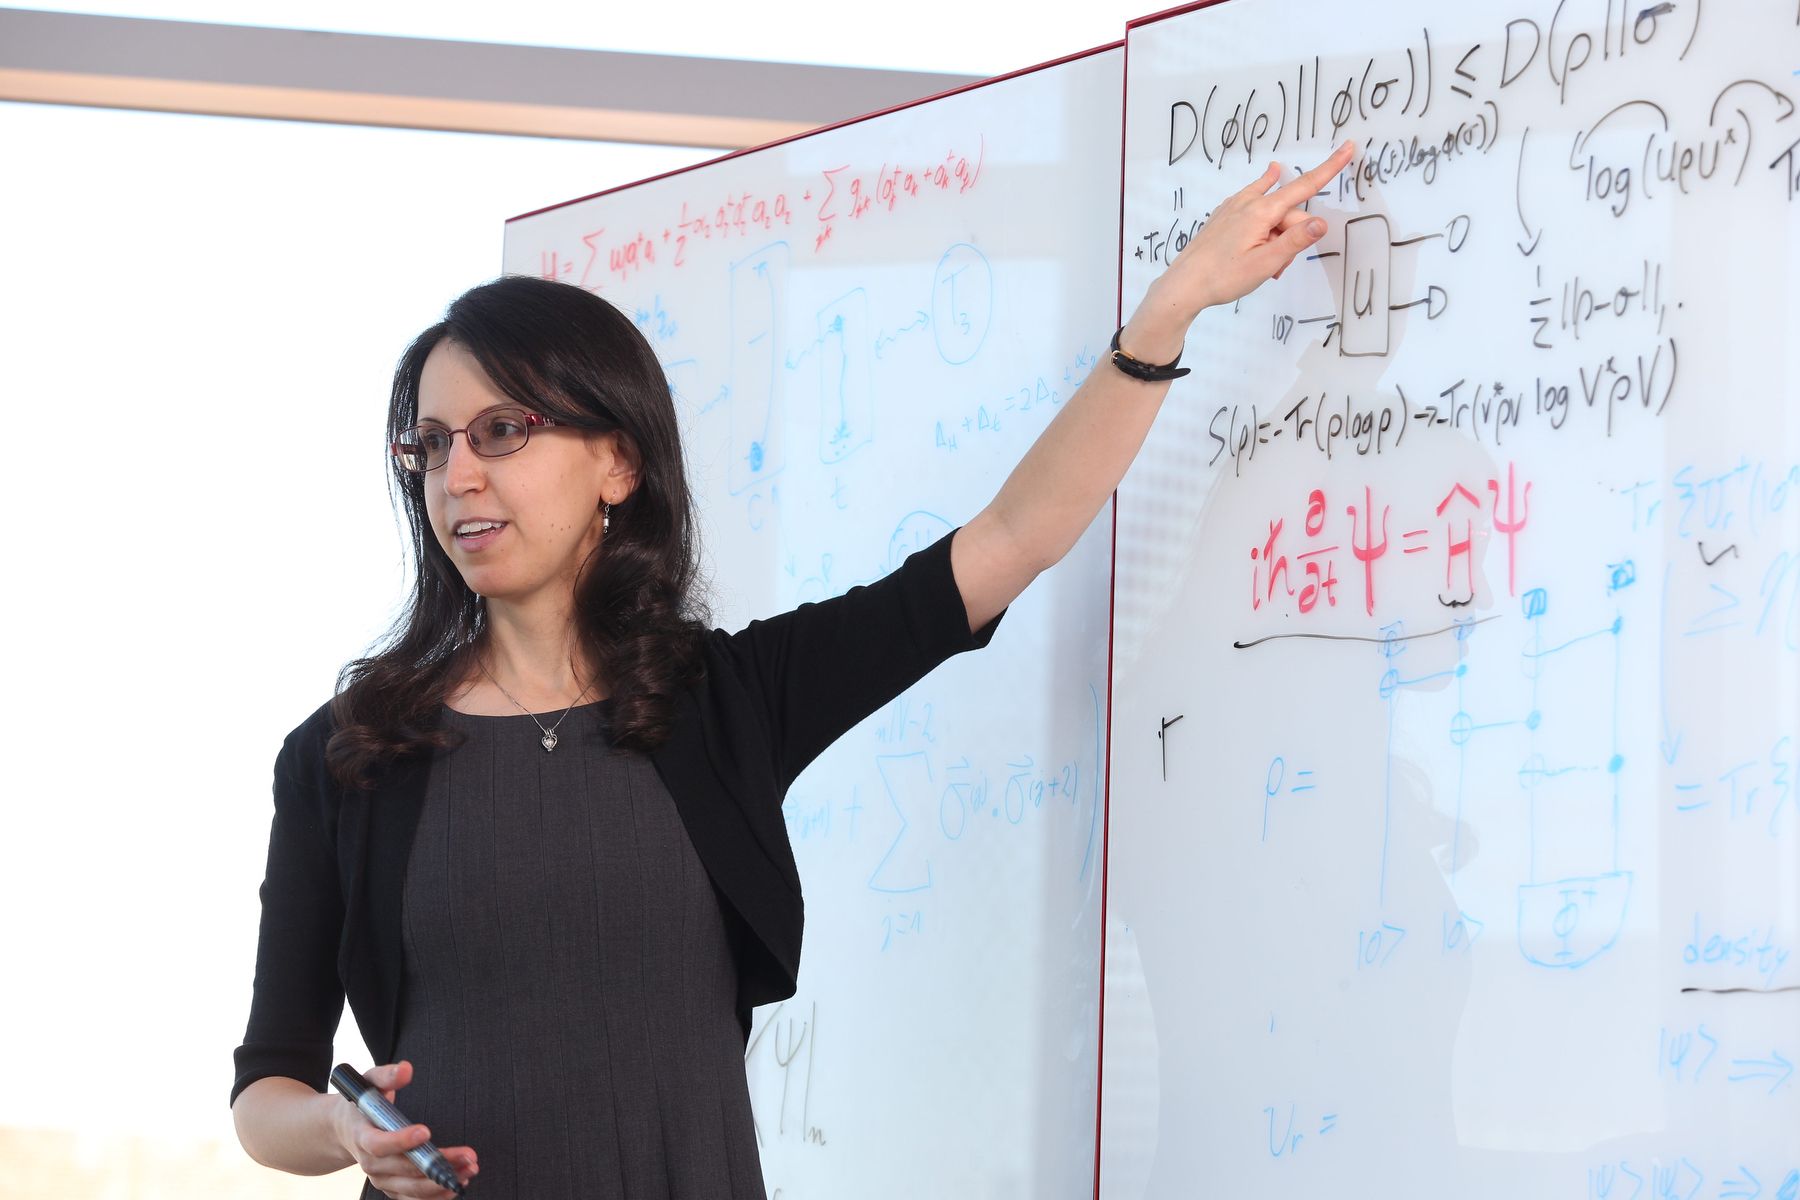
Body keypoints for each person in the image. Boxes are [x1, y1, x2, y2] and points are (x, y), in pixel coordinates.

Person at [229, 141, 1357, 1199]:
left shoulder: (724, 700)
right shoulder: (343, 755)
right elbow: (265, 1093)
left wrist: (1170, 309)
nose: (457, 474)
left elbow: (1010, 539)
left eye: (502, 431)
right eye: (431, 445)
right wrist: (341, 1130)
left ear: (617, 459)